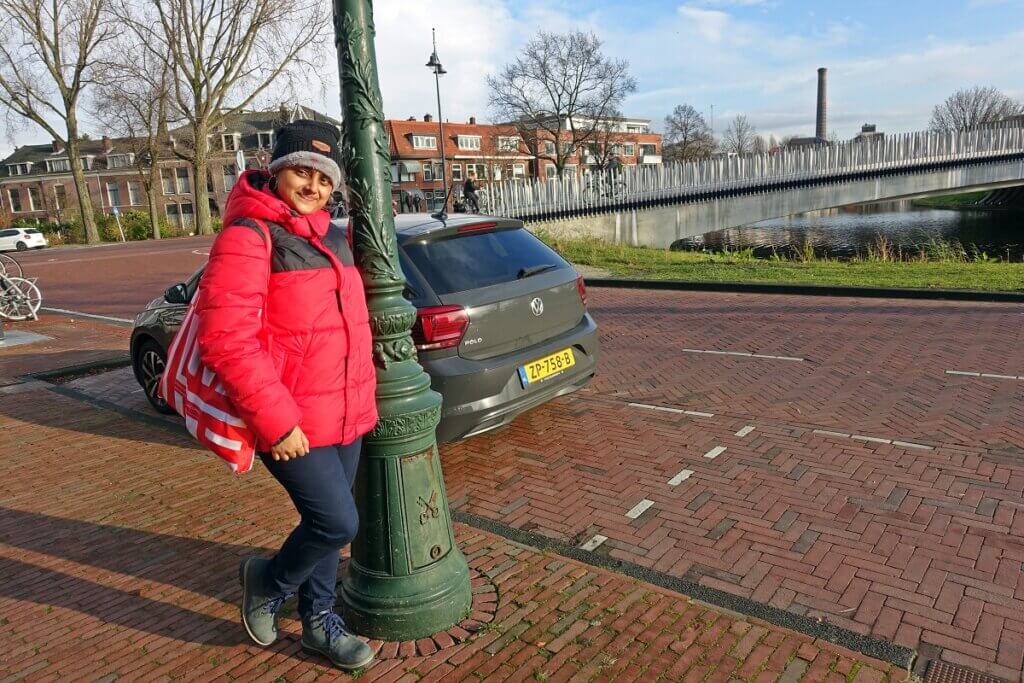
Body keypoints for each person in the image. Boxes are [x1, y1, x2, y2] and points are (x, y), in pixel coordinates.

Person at [194, 119, 377, 671]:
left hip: (346, 411)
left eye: (324, 179)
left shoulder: (333, 236)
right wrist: (276, 423)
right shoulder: (249, 236)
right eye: (302, 171)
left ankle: (320, 621)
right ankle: (267, 581)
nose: (313, 187)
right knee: (338, 523)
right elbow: (225, 340)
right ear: (276, 172)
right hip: (292, 419)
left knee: (329, 529)